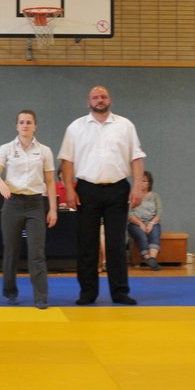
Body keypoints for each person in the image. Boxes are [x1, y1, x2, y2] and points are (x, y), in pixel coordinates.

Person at [59, 86, 146, 306]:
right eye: (95, 97)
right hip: (86, 190)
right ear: (88, 102)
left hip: (117, 189)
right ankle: (88, 292)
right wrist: (69, 188)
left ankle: (120, 292)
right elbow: (67, 161)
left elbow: (136, 158)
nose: (100, 100)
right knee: (87, 244)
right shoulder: (76, 127)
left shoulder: (125, 125)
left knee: (116, 244)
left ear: (110, 100)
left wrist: (137, 187)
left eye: (103, 97)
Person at [0, 110, 57, 308]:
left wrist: (53, 209)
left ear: (35, 126)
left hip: (35, 204)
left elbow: (50, 182)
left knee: (37, 251)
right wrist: (0, 183)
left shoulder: (44, 151)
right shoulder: (6, 148)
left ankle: (41, 297)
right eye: (21, 122)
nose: (25, 125)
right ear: (16, 126)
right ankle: (10, 290)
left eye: (29, 122)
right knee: (11, 250)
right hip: (12, 203)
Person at [128, 171, 163, 271]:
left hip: (152, 222)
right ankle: (147, 258)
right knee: (142, 236)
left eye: (144, 181)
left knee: (155, 234)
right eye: (140, 181)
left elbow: (159, 213)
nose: (141, 183)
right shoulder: (133, 195)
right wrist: (140, 224)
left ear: (149, 183)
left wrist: (151, 223)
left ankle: (152, 259)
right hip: (135, 223)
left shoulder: (155, 196)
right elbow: (129, 214)